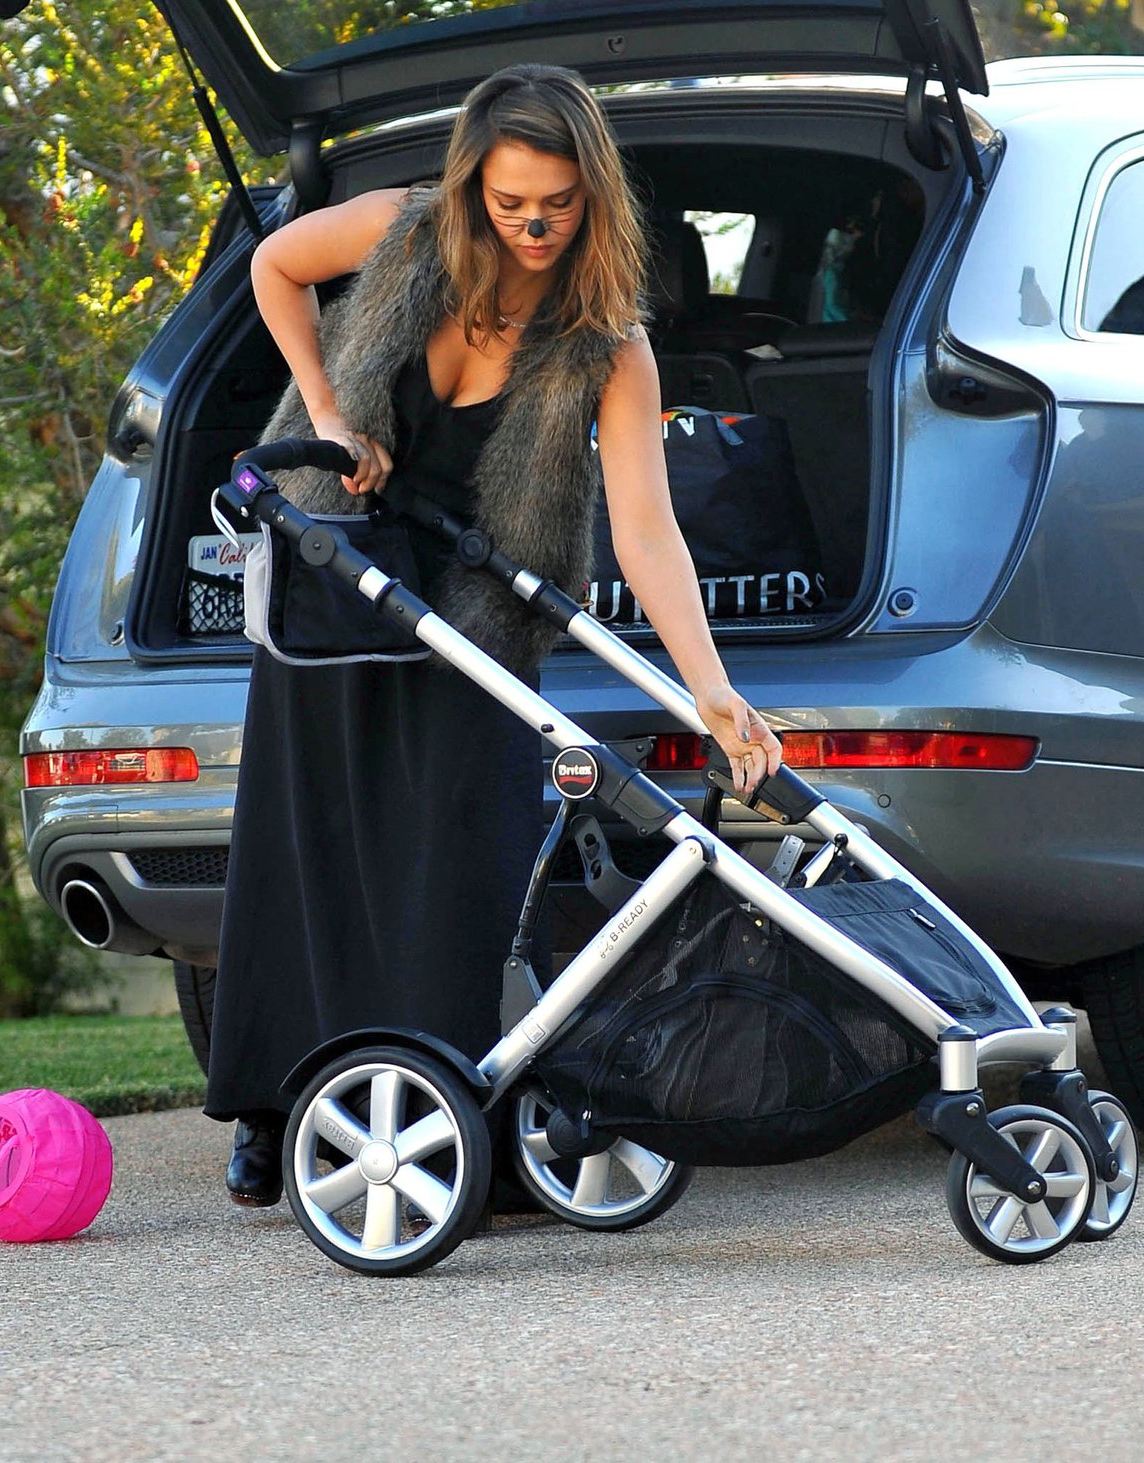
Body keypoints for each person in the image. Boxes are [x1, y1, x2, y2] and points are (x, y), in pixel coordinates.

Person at [205, 63, 783, 1206]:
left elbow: (647, 527)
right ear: (472, 185)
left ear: (592, 199)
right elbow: (273, 265)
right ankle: (279, 1109)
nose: (531, 225)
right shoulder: (400, 229)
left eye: (557, 204)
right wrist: (326, 413)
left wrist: (709, 688)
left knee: (466, 865)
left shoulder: (604, 344)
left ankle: (461, 1112)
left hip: (474, 611)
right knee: (310, 843)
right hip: (337, 570)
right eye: (510, 202)